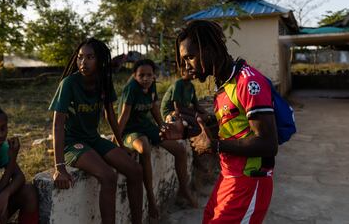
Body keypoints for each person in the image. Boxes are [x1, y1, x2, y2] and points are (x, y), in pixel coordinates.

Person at [162, 20, 278, 224]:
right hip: (228, 178)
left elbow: (268, 143)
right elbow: (232, 130)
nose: (186, 66)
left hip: (249, 181)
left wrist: (215, 146)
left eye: (190, 57)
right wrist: (187, 132)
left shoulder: (248, 82)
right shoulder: (223, 85)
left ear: (207, 50)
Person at [49, 38, 143, 224]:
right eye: (80, 57)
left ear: (100, 60)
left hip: (93, 138)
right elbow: (58, 125)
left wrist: (120, 143)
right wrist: (59, 167)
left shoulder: (103, 81)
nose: (83, 62)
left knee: (135, 170)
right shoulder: (69, 84)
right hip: (72, 143)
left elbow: (110, 115)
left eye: (90, 57)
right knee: (108, 175)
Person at [117, 59, 197, 220]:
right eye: (141, 75)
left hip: (147, 127)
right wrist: (117, 144)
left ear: (154, 76)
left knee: (179, 150)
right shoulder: (131, 89)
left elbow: (154, 109)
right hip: (130, 131)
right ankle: (151, 200)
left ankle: (183, 189)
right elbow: (123, 117)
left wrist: (162, 127)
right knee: (144, 147)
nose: (145, 78)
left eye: (149, 75)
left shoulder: (151, 86)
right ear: (134, 75)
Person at [160, 67, 210, 138]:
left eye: (193, 69)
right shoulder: (178, 85)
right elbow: (178, 108)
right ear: (183, 72)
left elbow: (196, 105)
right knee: (196, 122)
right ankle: (191, 140)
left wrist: (206, 113)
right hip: (171, 112)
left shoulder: (191, 86)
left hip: (182, 111)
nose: (193, 71)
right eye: (190, 71)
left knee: (205, 118)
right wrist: (196, 114)